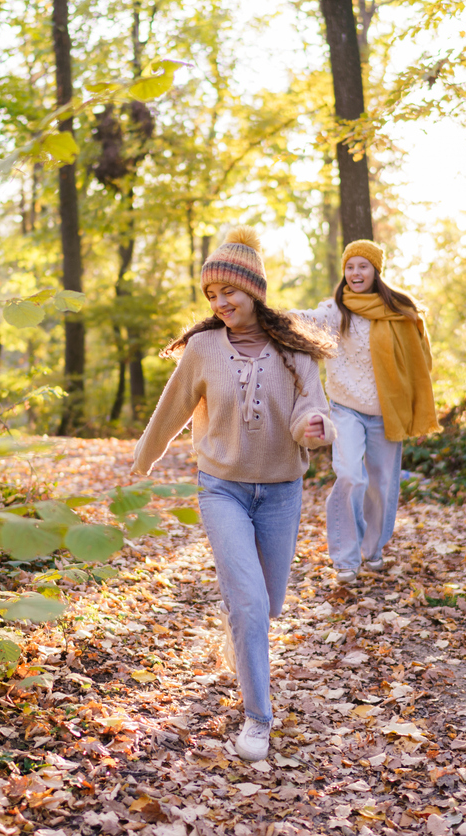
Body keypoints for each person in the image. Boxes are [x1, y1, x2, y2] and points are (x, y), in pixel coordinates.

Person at [132, 226, 337, 762]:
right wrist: (143, 459)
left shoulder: (294, 347)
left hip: (281, 491)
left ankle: (240, 635)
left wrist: (314, 427)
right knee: (247, 600)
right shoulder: (202, 348)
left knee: (265, 605)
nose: (220, 303)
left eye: (229, 291)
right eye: (211, 295)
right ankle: (258, 718)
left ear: (255, 291)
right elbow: (171, 408)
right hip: (220, 487)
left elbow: (310, 408)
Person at [290, 239, 439, 584]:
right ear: (344, 272)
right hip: (346, 412)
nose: (355, 273)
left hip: (387, 412)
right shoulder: (334, 311)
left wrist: (414, 402)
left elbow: (419, 361)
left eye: (363, 266)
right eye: (350, 267)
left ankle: (372, 550)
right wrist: (260, 310)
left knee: (382, 486)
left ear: (375, 271)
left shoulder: (398, 312)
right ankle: (345, 558)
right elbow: (301, 320)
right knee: (350, 477)